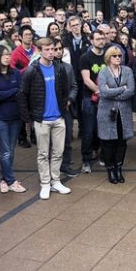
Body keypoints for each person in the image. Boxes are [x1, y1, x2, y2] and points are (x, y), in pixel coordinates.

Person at [19, 38, 71, 200]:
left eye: (53, 49)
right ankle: (45, 183)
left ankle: (55, 181)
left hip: (58, 117)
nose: (51, 52)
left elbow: (65, 89)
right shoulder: (32, 70)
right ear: (39, 51)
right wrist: (27, 117)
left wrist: (65, 105)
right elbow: (22, 94)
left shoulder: (59, 68)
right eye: (47, 50)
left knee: (58, 152)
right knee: (43, 154)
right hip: (41, 119)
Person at [0, 46, 27, 193]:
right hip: (0, 117)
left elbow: (21, 91)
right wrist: (13, 91)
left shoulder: (16, 73)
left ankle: (4, 178)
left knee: (11, 150)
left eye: (9, 54)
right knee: (5, 151)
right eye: (4, 55)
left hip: (15, 117)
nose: (7, 57)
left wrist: (6, 93)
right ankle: (11, 180)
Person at [97, 47, 135, 184]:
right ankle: (110, 169)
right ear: (109, 57)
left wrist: (113, 92)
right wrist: (121, 89)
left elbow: (131, 90)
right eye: (114, 56)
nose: (118, 58)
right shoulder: (103, 72)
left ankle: (118, 168)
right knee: (107, 142)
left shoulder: (127, 71)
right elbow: (103, 92)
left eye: (119, 55)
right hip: (107, 112)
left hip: (123, 112)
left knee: (121, 141)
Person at [78, 30, 107, 174]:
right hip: (89, 98)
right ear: (91, 41)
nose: (101, 41)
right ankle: (86, 160)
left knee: (103, 129)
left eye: (103, 38)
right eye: (98, 39)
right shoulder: (86, 57)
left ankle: (103, 155)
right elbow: (86, 79)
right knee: (88, 130)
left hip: (106, 99)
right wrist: (99, 91)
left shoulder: (108, 56)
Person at [52, 39, 79, 176]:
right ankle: (53, 167)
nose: (58, 52)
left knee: (67, 137)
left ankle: (66, 164)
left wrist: (70, 99)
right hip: (51, 108)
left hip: (66, 107)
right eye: (55, 49)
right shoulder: (45, 67)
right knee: (52, 141)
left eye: (59, 49)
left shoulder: (68, 67)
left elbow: (74, 86)